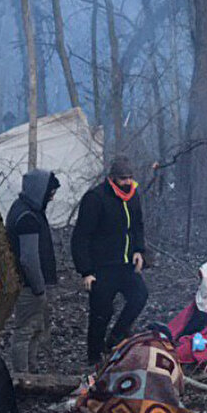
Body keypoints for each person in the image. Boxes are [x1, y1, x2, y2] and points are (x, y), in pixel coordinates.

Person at [72, 155, 149, 365]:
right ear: (112, 178)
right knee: (101, 314)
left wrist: (138, 250)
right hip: (102, 268)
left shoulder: (133, 195)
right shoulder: (95, 198)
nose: (127, 183)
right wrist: (86, 270)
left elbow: (137, 225)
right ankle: (94, 358)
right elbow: (81, 236)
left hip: (126, 265)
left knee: (140, 295)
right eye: (123, 178)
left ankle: (115, 337)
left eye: (130, 178)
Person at [4, 168, 61, 373]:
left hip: (32, 284)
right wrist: (39, 288)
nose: (52, 198)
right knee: (25, 331)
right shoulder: (27, 217)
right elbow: (28, 258)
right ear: (41, 190)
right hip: (30, 286)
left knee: (37, 329)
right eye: (51, 193)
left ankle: (31, 370)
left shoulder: (26, 209)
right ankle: (22, 375)